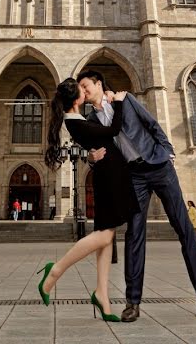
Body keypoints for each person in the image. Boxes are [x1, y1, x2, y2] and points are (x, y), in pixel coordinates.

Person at [79, 71, 196, 320]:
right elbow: (92, 149)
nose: (83, 91)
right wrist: (90, 158)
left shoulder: (126, 100)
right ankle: (133, 302)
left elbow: (151, 124)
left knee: (183, 228)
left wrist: (168, 152)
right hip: (134, 176)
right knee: (134, 235)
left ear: (98, 84)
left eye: (85, 86)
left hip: (159, 167)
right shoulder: (90, 120)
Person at [37, 78, 133, 322]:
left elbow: (101, 137)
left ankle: (102, 294)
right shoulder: (76, 122)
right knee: (104, 235)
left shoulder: (79, 120)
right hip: (109, 176)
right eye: (82, 90)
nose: (85, 91)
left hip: (109, 172)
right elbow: (113, 131)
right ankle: (56, 269)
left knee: (107, 236)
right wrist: (120, 103)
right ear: (76, 99)